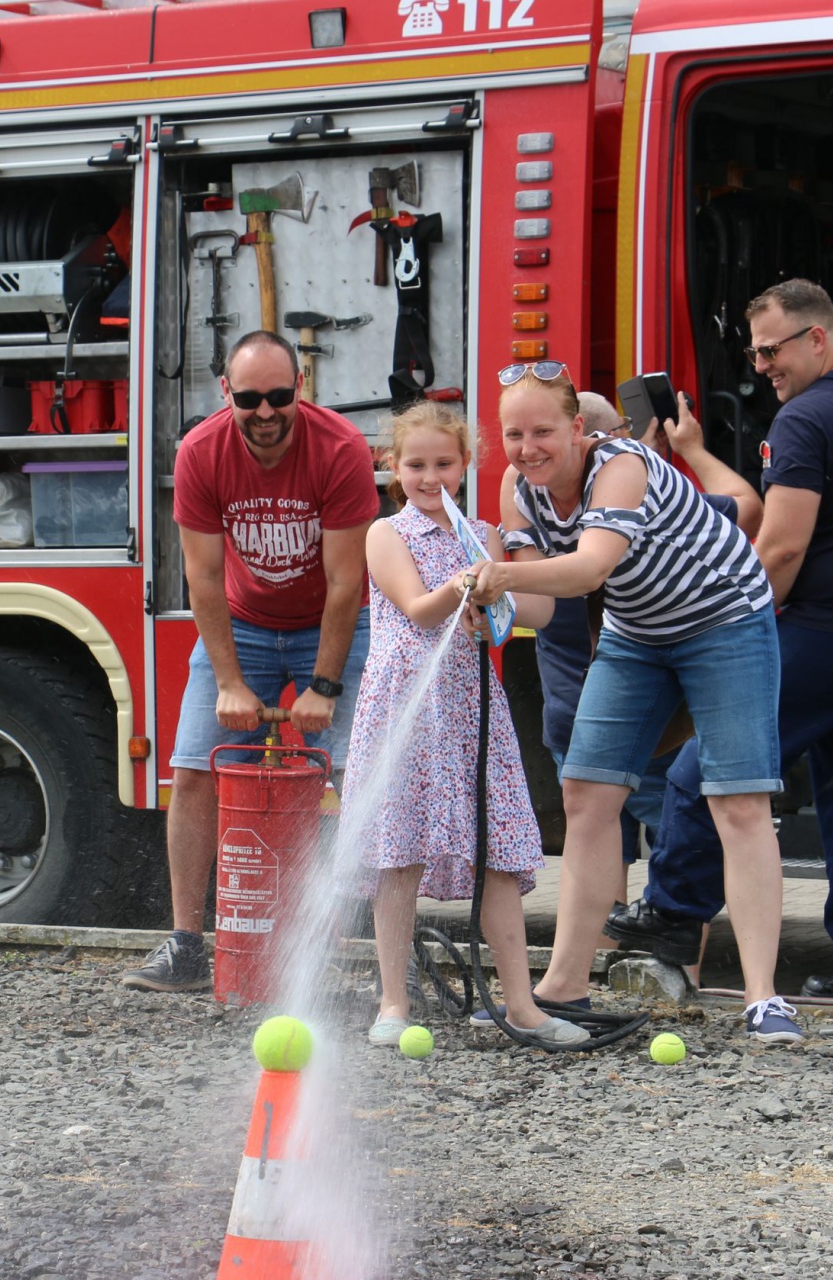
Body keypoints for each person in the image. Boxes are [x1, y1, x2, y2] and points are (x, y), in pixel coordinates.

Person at [608, 264, 833, 1003]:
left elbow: (781, 549)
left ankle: (671, 915)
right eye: (754, 352)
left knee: (709, 767)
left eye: (772, 350)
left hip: (832, 634)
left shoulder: (804, 421)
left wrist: (735, 630)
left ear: (817, 338)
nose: (762, 366)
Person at [469, 360, 797, 1044]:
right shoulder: (517, 487)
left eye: (542, 432)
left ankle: (764, 1000)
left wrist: (499, 574)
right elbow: (538, 602)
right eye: (514, 435)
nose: (527, 448)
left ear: (577, 430)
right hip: (638, 631)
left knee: (737, 801)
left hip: (725, 618)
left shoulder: (621, 465)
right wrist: (477, 597)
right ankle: (562, 988)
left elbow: (589, 569)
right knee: (586, 793)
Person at [120, 330, 379, 992]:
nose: (266, 412)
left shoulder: (341, 448)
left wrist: (324, 685)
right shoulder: (201, 451)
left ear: (302, 388)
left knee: (358, 774)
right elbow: (203, 577)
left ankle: (368, 951)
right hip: (246, 624)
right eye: (250, 398)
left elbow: (346, 581)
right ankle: (186, 947)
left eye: (279, 396)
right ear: (225, 392)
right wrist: (230, 682)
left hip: (333, 620)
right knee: (193, 770)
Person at [346, 402, 586, 1050]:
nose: (430, 478)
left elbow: (535, 610)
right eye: (416, 465)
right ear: (394, 467)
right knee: (399, 855)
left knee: (497, 854)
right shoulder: (385, 534)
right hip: (404, 709)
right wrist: (465, 584)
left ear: (465, 465)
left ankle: (522, 1006)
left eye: (444, 464)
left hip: (469, 707)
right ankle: (393, 1002)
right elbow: (420, 610)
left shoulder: (482, 535)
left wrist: (499, 591)